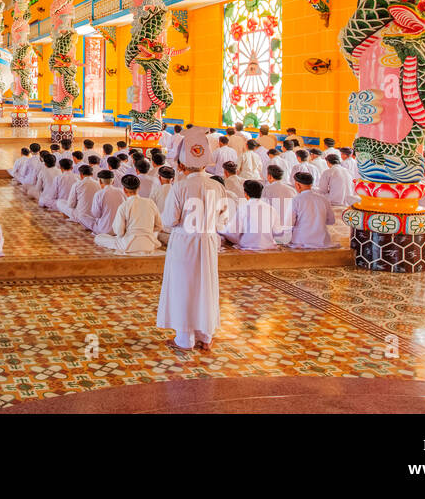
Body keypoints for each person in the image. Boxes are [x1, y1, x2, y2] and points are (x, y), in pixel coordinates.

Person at [156, 128, 223, 351]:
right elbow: (224, 216)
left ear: (183, 163)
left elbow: (169, 220)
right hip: (208, 240)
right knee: (206, 286)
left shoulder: (180, 187)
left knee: (185, 287)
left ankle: (185, 338)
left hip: (185, 242)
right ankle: (205, 335)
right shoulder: (217, 186)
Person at [94, 174, 161, 254]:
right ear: (139, 188)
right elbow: (159, 226)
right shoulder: (150, 202)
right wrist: (145, 231)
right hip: (149, 244)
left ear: (124, 190)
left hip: (130, 244)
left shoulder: (124, 206)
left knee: (99, 238)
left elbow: (119, 232)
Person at [221, 180, 288, 251]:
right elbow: (278, 231)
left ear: (245, 194)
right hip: (268, 247)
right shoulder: (271, 209)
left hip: (248, 248)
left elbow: (232, 232)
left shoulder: (243, 209)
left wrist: (220, 230)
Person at [285, 171, 336, 249]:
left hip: (301, 241)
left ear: (298, 185)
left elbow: (289, 223)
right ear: (311, 184)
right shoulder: (323, 199)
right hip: (322, 241)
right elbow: (331, 221)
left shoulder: (296, 200)